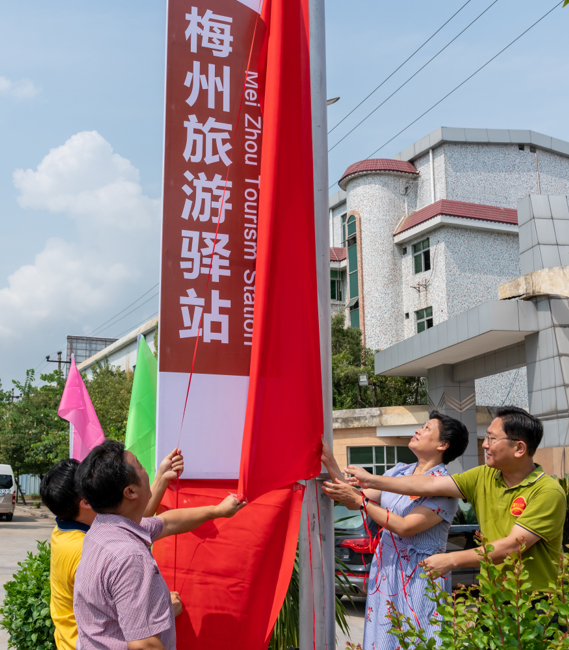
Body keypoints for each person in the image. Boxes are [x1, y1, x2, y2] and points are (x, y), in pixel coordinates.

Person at [345, 406, 567, 595]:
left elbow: (511, 547)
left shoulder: (547, 492)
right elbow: (430, 484)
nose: (484, 444)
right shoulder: (483, 475)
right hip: (494, 597)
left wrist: (451, 560)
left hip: (534, 600)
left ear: (519, 448)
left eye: (492, 438)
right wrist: (372, 480)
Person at [73, 440, 246, 650]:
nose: (145, 471)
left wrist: (216, 511)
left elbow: (168, 522)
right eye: (140, 466)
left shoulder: (104, 527)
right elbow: (145, 645)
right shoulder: (130, 556)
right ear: (130, 492)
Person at [321, 411, 469, 649]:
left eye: (427, 428)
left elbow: (404, 527)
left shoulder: (446, 487)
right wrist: (330, 462)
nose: (418, 430)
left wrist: (362, 502)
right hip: (386, 569)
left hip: (421, 575)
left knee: (419, 637)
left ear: (443, 444)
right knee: (383, 636)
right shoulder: (398, 472)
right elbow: (353, 499)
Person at [40, 448, 184, 650]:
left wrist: (160, 477)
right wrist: (163, 608)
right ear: (87, 501)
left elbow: (134, 521)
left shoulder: (66, 529)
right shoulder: (100, 550)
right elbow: (143, 643)